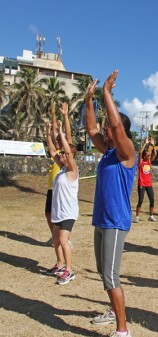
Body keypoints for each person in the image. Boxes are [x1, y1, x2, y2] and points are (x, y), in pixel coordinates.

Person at [85, 71, 137, 337]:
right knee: (103, 272)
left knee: (111, 275)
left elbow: (115, 128)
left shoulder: (127, 153)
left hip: (116, 222)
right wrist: (89, 100)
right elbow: (92, 128)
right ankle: (112, 311)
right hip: (101, 221)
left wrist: (107, 92)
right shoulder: (106, 154)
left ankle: (122, 329)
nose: (106, 128)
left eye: (111, 126)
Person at [45, 120, 79, 285]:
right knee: (56, 240)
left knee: (64, 240)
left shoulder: (73, 171)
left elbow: (67, 151)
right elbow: (52, 150)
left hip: (68, 213)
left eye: (65, 154)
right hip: (58, 211)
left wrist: (64, 135)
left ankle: (69, 270)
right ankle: (60, 265)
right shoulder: (62, 168)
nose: (62, 155)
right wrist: (48, 133)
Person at [44, 102, 73, 247]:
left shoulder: (64, 152)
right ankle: (54, 236)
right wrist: (53, 114)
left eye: (58, 139)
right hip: (51, 187)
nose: (57, 140)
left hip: (61, 189)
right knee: (49, 214)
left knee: (61, 216)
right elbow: (54, 131)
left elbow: (66, 134)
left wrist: (64, 115)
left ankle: (65, 237)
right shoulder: (54, 153)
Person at [134, 137, 158, 223]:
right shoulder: (141, 163)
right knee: (140, 200)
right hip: (142, 184)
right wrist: (145, 143)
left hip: (149, 184)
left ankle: (151, 216)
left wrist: (153, 145)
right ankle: (137, 217)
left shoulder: (149, 162)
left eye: (149, 155)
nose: (149, 156)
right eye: (148, 155)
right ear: (144, 156)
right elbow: (140, 152)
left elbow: (155, 154)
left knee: (152, 200)